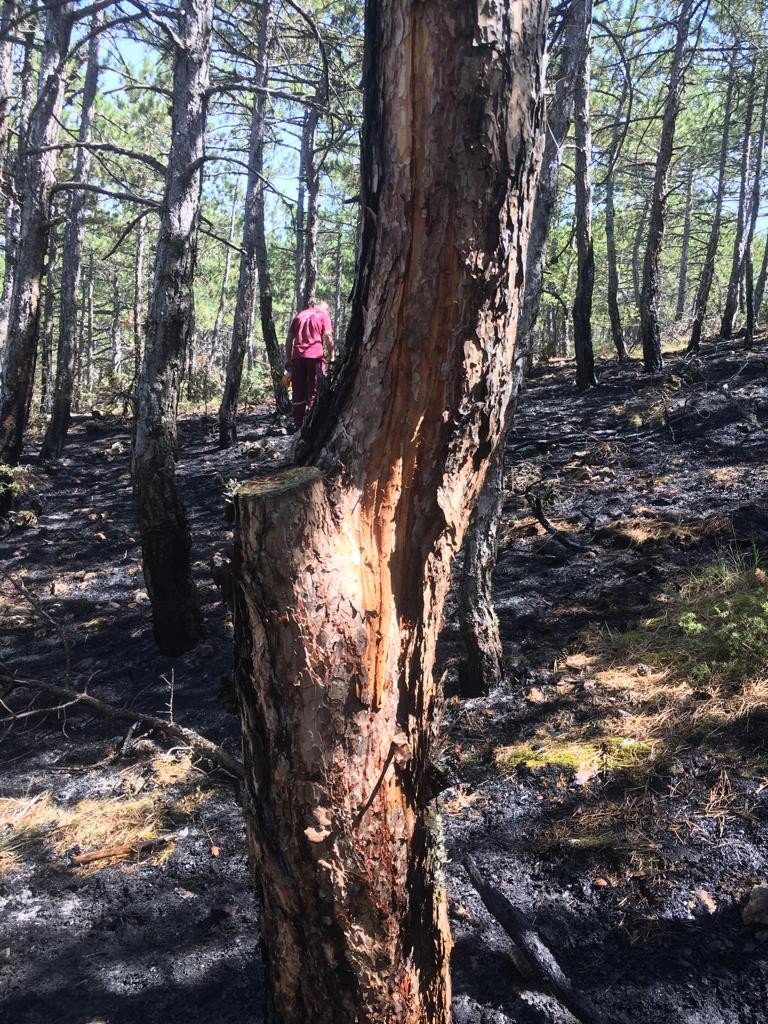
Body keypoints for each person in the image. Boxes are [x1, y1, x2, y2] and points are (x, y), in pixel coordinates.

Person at [285, 300, 334, 429]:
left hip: (298, 357)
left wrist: (288, 358)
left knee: (298, 390)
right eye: (328, 310)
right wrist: (332, 356)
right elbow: (328, 337)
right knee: (315, 389)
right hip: (315, 356)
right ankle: (312, 423)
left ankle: (299, 423)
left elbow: (289, 339)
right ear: (324, 308)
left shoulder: (299, 316)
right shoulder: (323, 316)